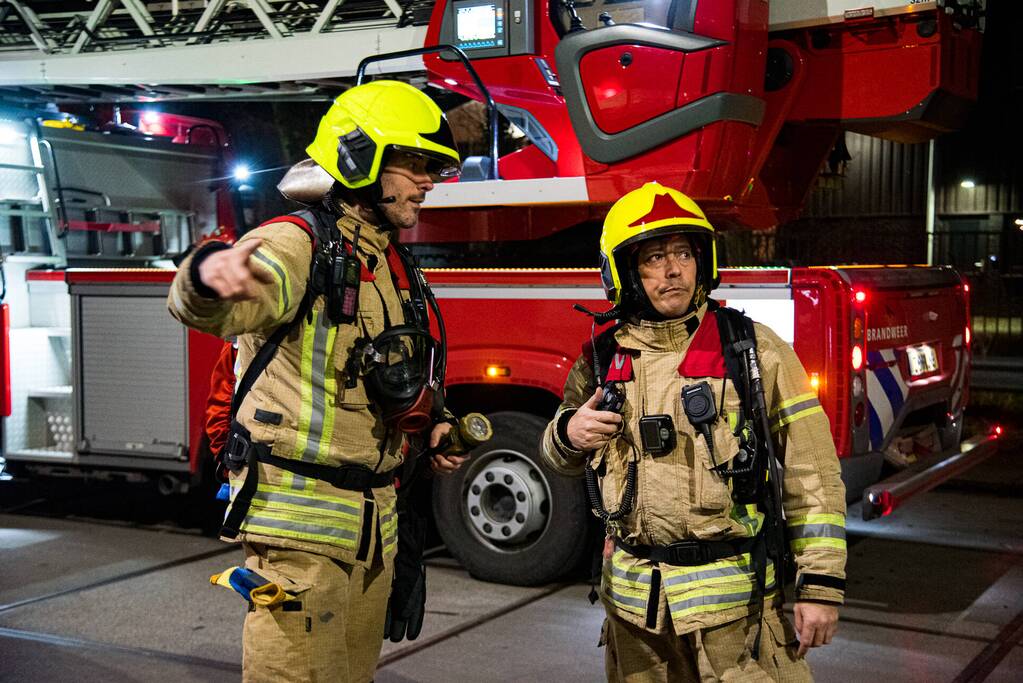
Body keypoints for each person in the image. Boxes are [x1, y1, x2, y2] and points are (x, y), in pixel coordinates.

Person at [168, 80, 466, 682]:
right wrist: (208, 274)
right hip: (302, 531)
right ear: (360, 158)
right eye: (415, 163)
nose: (428, 180)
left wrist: (432, 425)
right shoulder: (294, 243)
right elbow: (211, 302)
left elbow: (388, 373)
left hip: (371, 529)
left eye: (433, 166)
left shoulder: (389, 261)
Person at [541, 182, 847, 682]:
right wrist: (568, 434)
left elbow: (811, 472)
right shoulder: (600, 358)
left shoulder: (751, 350)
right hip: (634, 613)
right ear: (621, 272)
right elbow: (559, 457)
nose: (674, 269)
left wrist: (819, 587)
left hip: (734, 616)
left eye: (684, 253)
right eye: (654, 257)